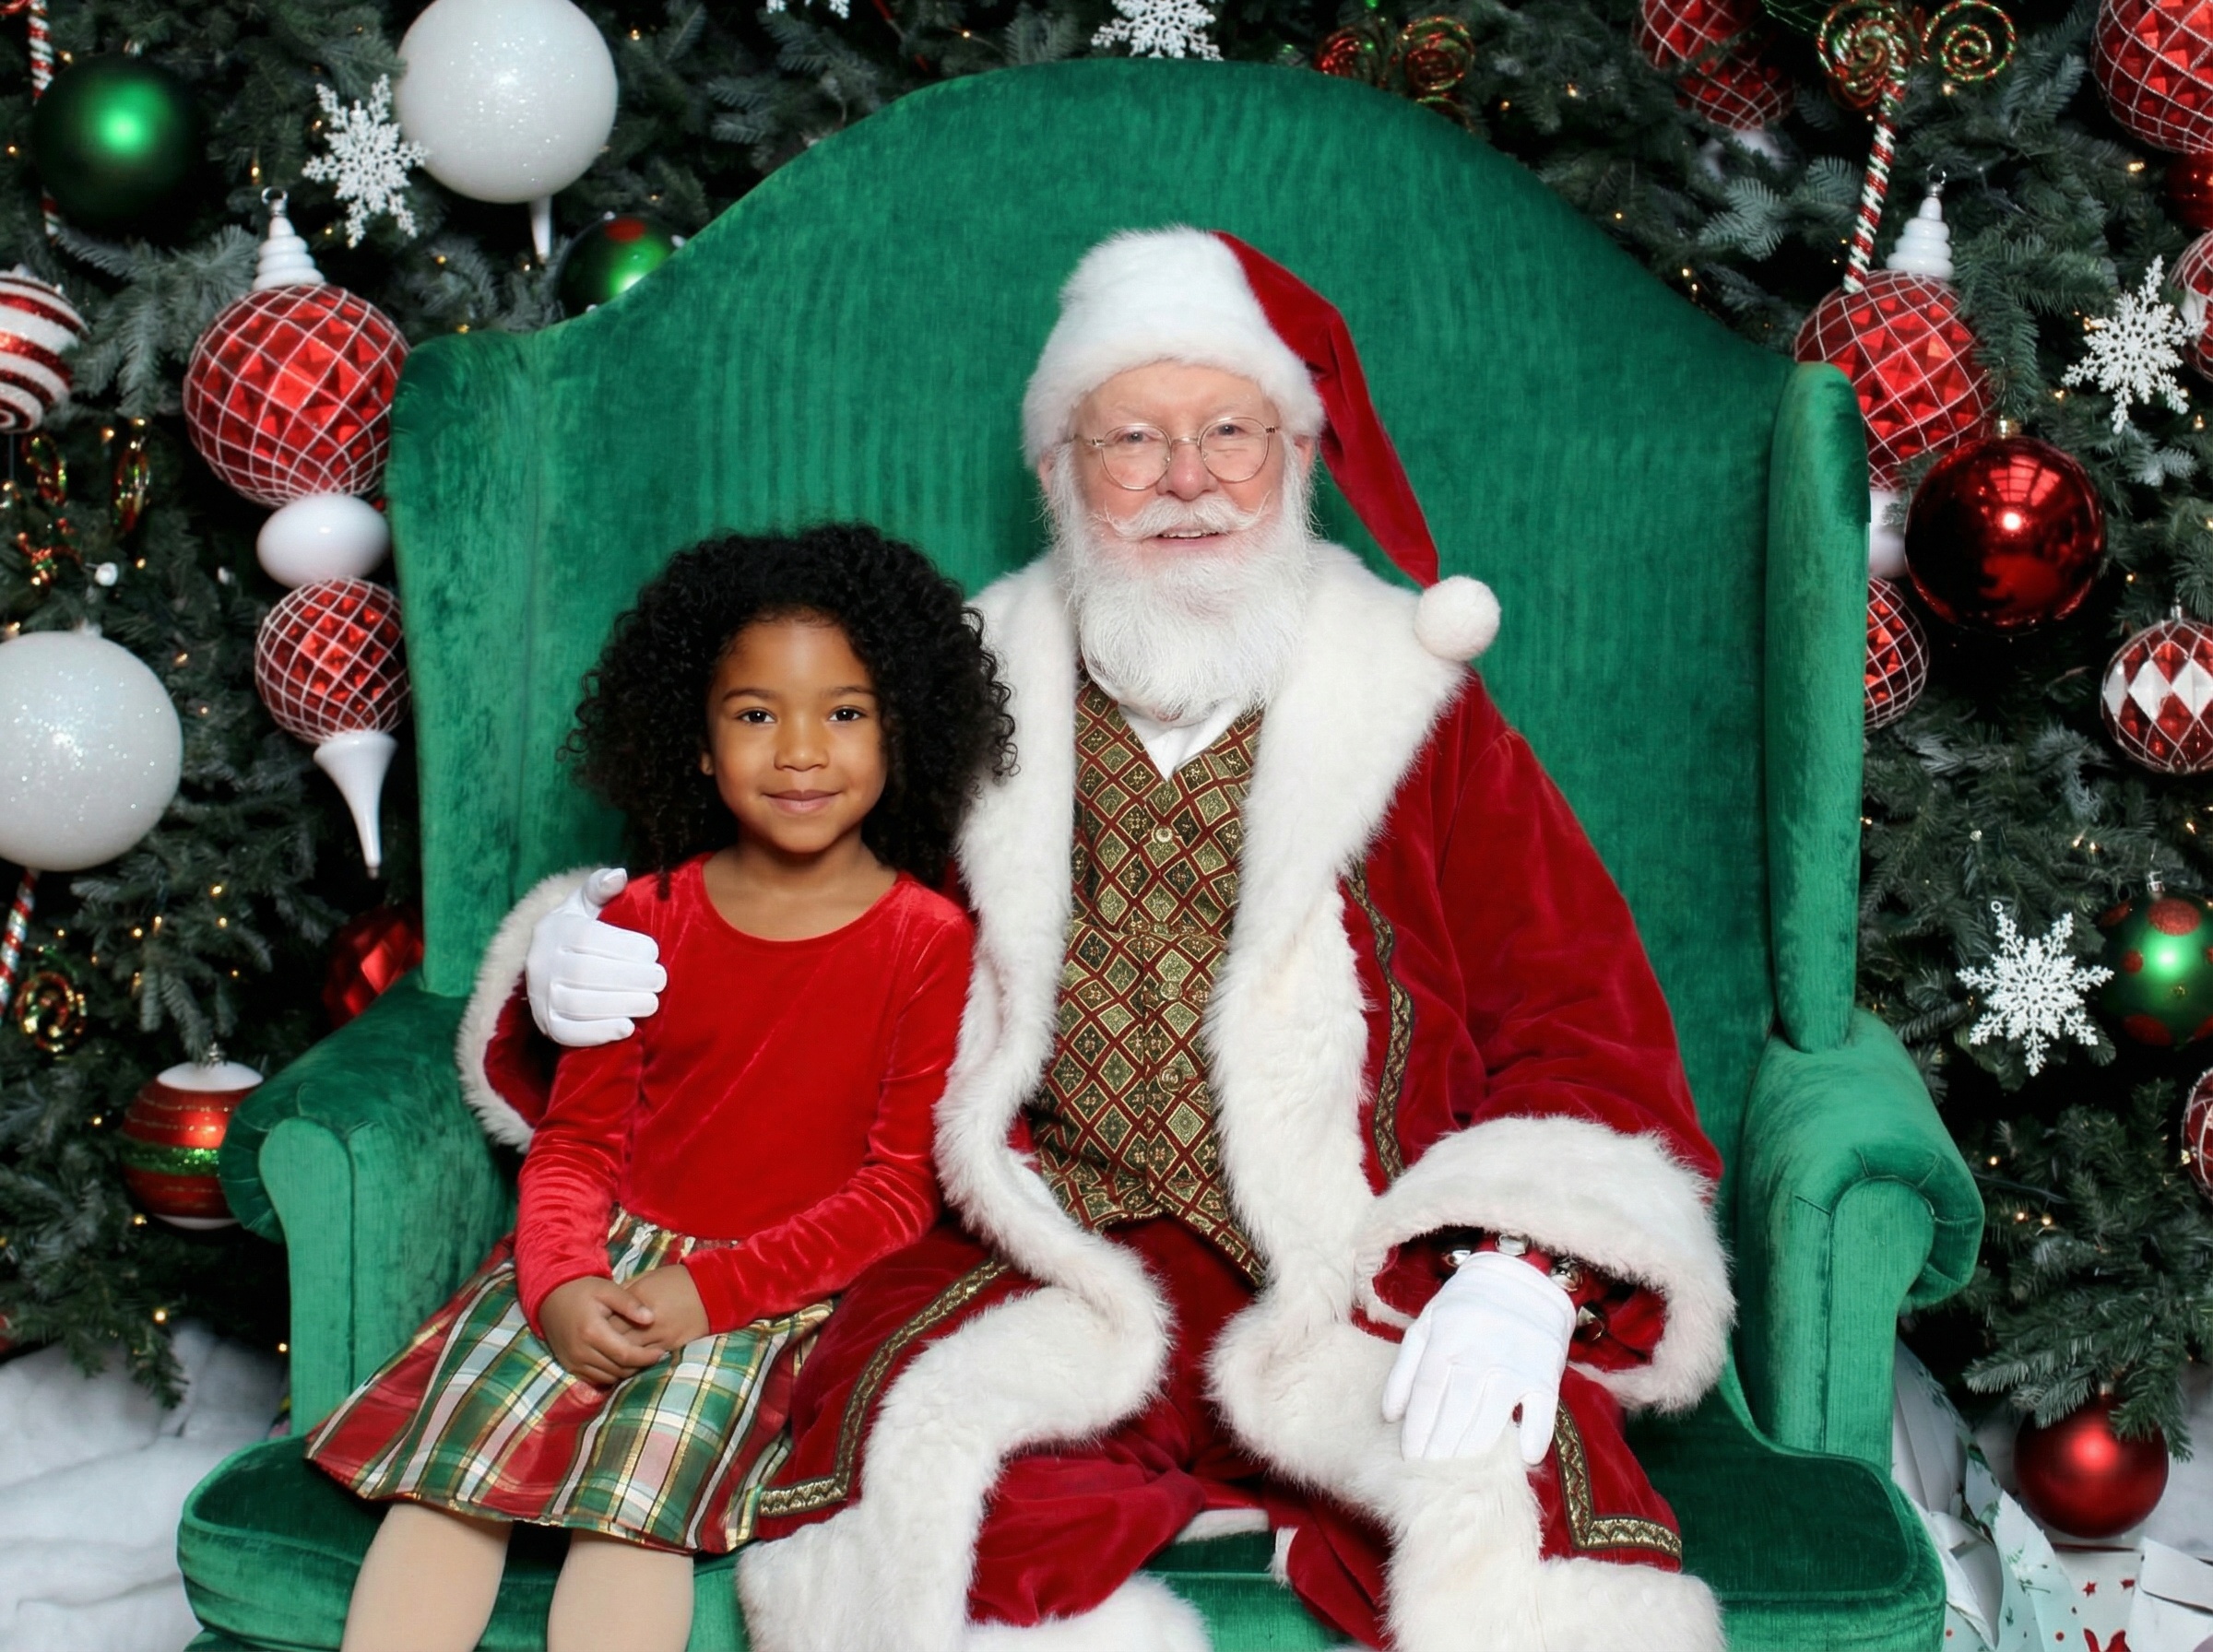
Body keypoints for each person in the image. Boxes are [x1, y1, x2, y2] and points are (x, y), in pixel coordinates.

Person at [474, 230, 1734, 1652]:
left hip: (1354, 1260)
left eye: (1230, 435)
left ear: (1297, 457)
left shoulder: (1416, 702)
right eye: (1133, 438)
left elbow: (1576, 1007)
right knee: (911, 1489)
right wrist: (580, 965)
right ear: (1057, 473)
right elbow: (767, 910)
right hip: (1040, 1251)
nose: (1188, 479)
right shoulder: (957, 684)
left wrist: (1517, 1268)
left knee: (1522, 1507)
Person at [308, 525, 1012, 1652]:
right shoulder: (641, 922)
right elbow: (576, 1143)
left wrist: (709, 1296)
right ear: (695, 741)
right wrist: (559, 1285)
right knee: (443, 1489)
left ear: (901, 733)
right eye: (754, 714)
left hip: (763, 1294)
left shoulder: (929, 943)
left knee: (634, 1518)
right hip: (602, 1256)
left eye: (844, 712)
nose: (799, 751)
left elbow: (894, 1193)